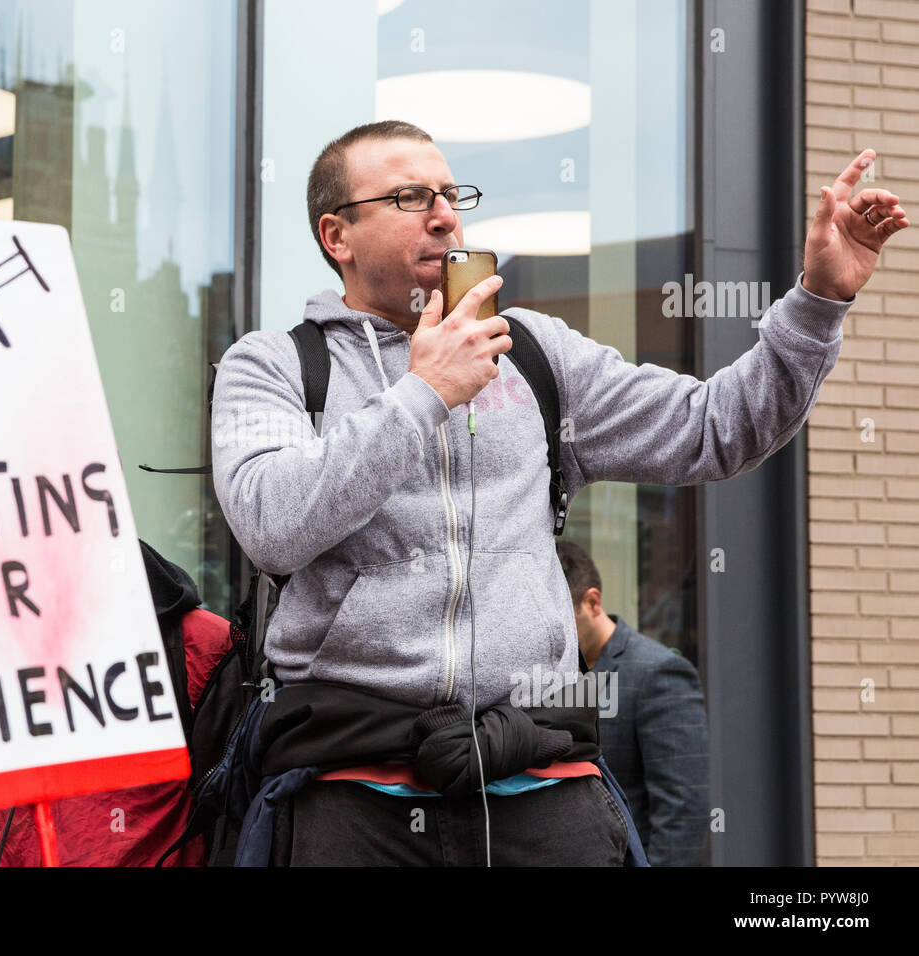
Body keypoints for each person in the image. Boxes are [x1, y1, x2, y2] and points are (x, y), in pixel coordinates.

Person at [210, 119, 906, 865]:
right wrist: (424, 394)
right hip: (350, 794)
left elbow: (716, 428)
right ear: (336, 235)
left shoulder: (536, 355)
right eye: (410, 197)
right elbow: (270, 523)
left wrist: (819, 302)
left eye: (451, 193)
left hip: (543, 782)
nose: (445, 213)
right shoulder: (274, 365)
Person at [557, 540, 708, 866]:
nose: (556, 635)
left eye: (563, 620)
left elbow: (684, 806)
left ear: (593, 602)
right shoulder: (554, 675)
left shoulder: (658, 672)